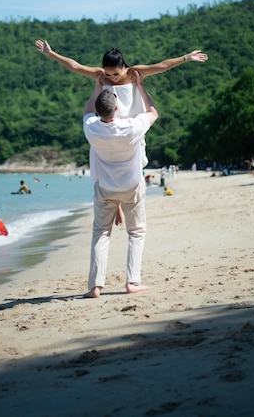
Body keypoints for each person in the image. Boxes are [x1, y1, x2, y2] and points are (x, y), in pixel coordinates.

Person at [35, 39, 208, 222]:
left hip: (132, 128)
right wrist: (51, 54)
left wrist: (186, 58)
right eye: (109, 74)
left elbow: (162, 66)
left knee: (137, 163)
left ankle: (124, 202)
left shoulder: (135, 73)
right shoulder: (102, 76)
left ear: (123, 66)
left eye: (115, 73)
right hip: (110, 127)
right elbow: (76, 67)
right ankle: (116, 204)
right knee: (109, 165)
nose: (113, 77)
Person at [83, 69, 159, 298]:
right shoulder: (132, 127)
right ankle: (132, 282)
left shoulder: (91, 127)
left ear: (99, 111)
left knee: (100, 234)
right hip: (131, 186)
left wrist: (98, 86)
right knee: (136, 233)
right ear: (117, 109)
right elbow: (153, 112)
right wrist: (141, 86)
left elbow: (87, 110)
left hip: (105, 188)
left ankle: (96, 286)